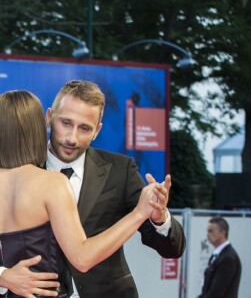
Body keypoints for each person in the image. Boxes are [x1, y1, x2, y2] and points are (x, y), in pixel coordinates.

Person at [1, 80, 186, 298]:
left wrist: (159, 216)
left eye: (84, 128)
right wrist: (3, 276)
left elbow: (172, 249)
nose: (72, 138)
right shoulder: (20, 171)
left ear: (97, 131)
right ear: (49, 117)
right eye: (66, 123)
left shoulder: (120, 170)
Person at [197, 216, 242, 298]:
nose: (208, 234)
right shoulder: (218, 255)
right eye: (207, 231)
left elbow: (216, 293)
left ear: (222, 232)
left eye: (211, 231)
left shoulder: (228, 258)